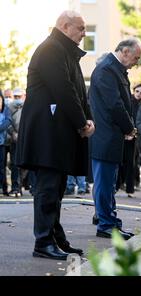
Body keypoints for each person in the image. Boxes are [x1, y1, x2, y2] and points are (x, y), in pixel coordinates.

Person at [16, 11, 95, 260]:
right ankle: (43, 242)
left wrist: (87, 118)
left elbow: (78, 91)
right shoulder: (52, 49)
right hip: (46, 135)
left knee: (56, 189)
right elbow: (64, 90)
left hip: (53, 133)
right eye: (81, 29)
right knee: (48, 189)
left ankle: (55, 238)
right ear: (65, 26)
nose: (84, 34)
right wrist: (82, 123)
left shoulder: (63, 51)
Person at [89, 38, 141, 240]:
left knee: (109, 182)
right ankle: (106, 224)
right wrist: (129, 128)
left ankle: (110, 221)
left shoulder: (113, 69)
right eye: (136, 57)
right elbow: (115, 104)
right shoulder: (107, 70)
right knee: (104, 183)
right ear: (126, 51)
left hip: (110, 135)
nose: (137, 61)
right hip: (105, 135)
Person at [116, 84, 141, 197]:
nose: (138, 94)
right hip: (123, 135)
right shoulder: (126, 101)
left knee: (131, 163)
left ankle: (130, 188)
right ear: (133, 91)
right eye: (137, 91)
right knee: (119, 161)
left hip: (134, 137)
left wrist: (134, 133)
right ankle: (117, 185)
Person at [0, 93, 12, 196]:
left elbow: (8, 121)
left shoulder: (6, 109)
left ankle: (4, 189)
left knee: (2, 167)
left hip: (2, 143)